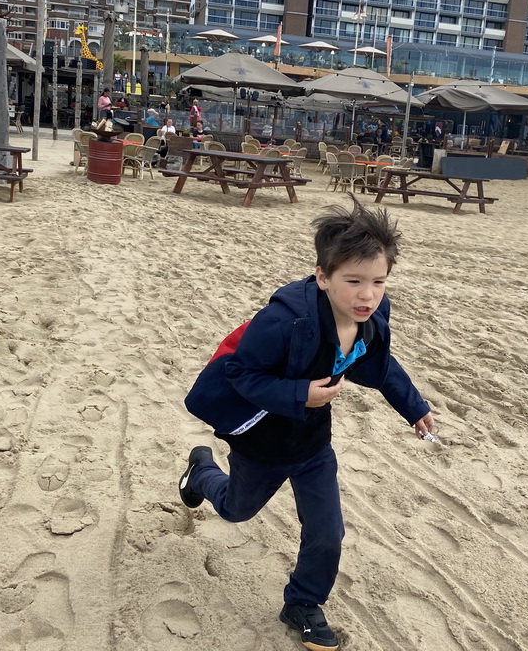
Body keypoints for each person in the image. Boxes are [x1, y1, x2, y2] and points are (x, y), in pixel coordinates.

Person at [178, 199, 435, 651]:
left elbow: (380, 365)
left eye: (378, 282)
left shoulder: (371, 316)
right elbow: (241, 374)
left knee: (327, 531)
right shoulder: (282, 321)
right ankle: (201, 470)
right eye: (353, 281)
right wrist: (300, 395)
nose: (366, 295)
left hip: (314, 442)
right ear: (322, 276)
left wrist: (414, 408)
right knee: (237, 510)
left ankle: (302, 602)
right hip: (262, 439)